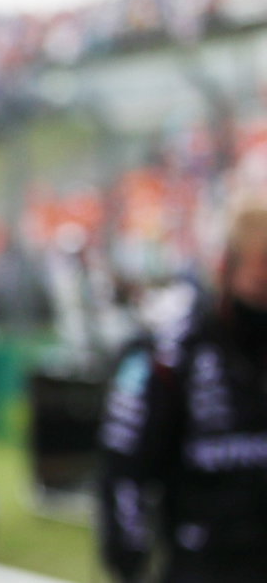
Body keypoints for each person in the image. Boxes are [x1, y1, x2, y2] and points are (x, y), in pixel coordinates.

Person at [96, 201, 267, 582]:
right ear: (227, 265)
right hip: (202, 561)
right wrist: (129, 558)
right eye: (261, 269)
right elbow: (123, 464)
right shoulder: (172, 350)